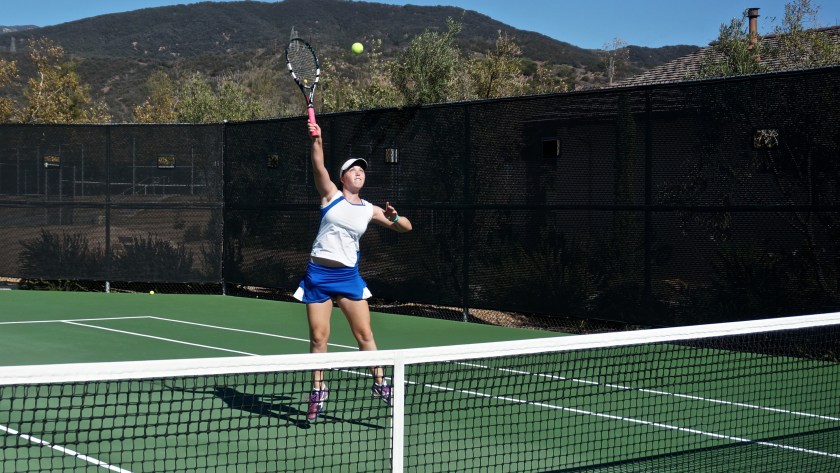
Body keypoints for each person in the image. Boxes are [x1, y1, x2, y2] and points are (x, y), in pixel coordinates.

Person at [294, 121, 412, 421]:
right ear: (342, 178)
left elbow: (405, 228)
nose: (359, 172)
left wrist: (395, 217)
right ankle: (319, 390)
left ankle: (380, 383)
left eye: (362, 170)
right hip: (318, 276)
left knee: (364, 333)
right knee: (319, 337)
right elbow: (317, 161)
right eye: (353, 169)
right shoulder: (329, 194)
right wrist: (317, 138)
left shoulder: (371, 209)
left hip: (348, 277)